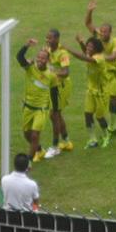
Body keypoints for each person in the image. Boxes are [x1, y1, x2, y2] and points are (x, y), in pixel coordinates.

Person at [85, 0, 116, 135]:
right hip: (103, 73)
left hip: (115, 73)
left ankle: (114, 124)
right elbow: (88, 23)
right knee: (104, 101)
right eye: (101, 31)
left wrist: (100, 59)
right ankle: (108, 124)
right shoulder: (98, 37)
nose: (102, 34)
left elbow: (114, 57)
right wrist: (90, 10)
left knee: (113, 98)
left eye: (105, 32)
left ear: (110, 32)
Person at [16, 39, 60, 162]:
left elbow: (54, 93)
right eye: (39, 58)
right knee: (27, 134)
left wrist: (55, 110)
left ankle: (29, 161)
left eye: (43, 58)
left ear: (48, 60)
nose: (40, 60)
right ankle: (39, 150)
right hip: (28, 107)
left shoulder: (51, 75)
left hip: (41, 109)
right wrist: (26, 45)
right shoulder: (30, 68)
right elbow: (19, 57)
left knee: (35, 135)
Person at [63, 36, 111, 148]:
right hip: (91, 90)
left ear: (97, 48)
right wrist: (81, 42)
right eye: (88, 45)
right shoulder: (92, 54)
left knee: (99, 117)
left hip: (101, 92)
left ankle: (106, 135)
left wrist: (69, 49)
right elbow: (86, 53)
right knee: (88, 114)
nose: (88, 48)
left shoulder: (99, 58)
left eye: (91, 46)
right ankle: (92, 139)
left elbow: (85, 57)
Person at [45, 29, 74, 158]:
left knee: (54, 115)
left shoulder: (62, 54)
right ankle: (67, 141)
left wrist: (52, 73)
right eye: (47, 38)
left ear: (57, 39)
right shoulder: (48, 50)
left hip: (60, 87)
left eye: (50, 38)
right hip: (53, 85)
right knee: (56, 114)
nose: (48, 40)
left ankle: (55, 146)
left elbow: (66, 72)